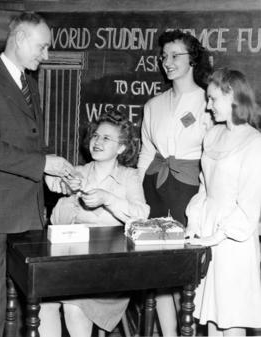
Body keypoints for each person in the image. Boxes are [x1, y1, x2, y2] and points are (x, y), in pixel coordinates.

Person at [0, 12, 75, 337]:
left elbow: (28, 145)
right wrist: (42, 165)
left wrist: (49, 175)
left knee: (26, 308)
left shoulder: (30, 83)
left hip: (28, 215)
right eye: (42, 47)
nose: (47, 55)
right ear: (21, 39)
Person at [39, 109, 150, 337]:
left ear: (121, 148)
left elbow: (141, 218)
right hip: (74, 263)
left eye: (106, 138)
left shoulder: (130, 177)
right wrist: (72, 196)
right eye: (96, 136)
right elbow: (55, 223)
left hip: (112, 269)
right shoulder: (77, 172)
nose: (97, 142)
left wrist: (108, 199)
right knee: (44, 303)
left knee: (74, 305)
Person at [137, 29, 213, 336]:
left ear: (192, 59)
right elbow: (146, 153)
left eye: (175, 56)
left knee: (188, 272)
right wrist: (138, 198)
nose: (167, 62)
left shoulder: (208, 100)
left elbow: (214, 156)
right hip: (155, 188)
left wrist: (204, 200)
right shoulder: (153, 104)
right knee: (159, 271)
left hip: (191, 191)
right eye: (164, 56)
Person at [186, 68, 261, 336]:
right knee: (213, 320)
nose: (208, 107)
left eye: (212, 99)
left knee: (231, 317)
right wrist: (195, 223)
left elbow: (250, 206)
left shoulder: (254, 142)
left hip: (233, 242)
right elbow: (204, 187)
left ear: (232, 96)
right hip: (207, 233)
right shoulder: (212, 136)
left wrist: (218, 234)